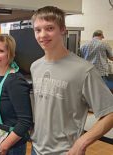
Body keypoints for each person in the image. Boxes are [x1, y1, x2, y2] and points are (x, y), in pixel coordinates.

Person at [30, 6, 113, 155]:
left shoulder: (84, 70)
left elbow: (110, 113)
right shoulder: (35, 67)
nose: (42, 35)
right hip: (36, 149)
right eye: (37, 30)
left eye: (49, 28)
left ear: (63, 29)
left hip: (65, 152)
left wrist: (82, 141)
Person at [0, 34, 33, 155]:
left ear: (10, 54)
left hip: (11, 145)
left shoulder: (15, 81)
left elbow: (25, 121)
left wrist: (4, 146)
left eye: (0, 51)